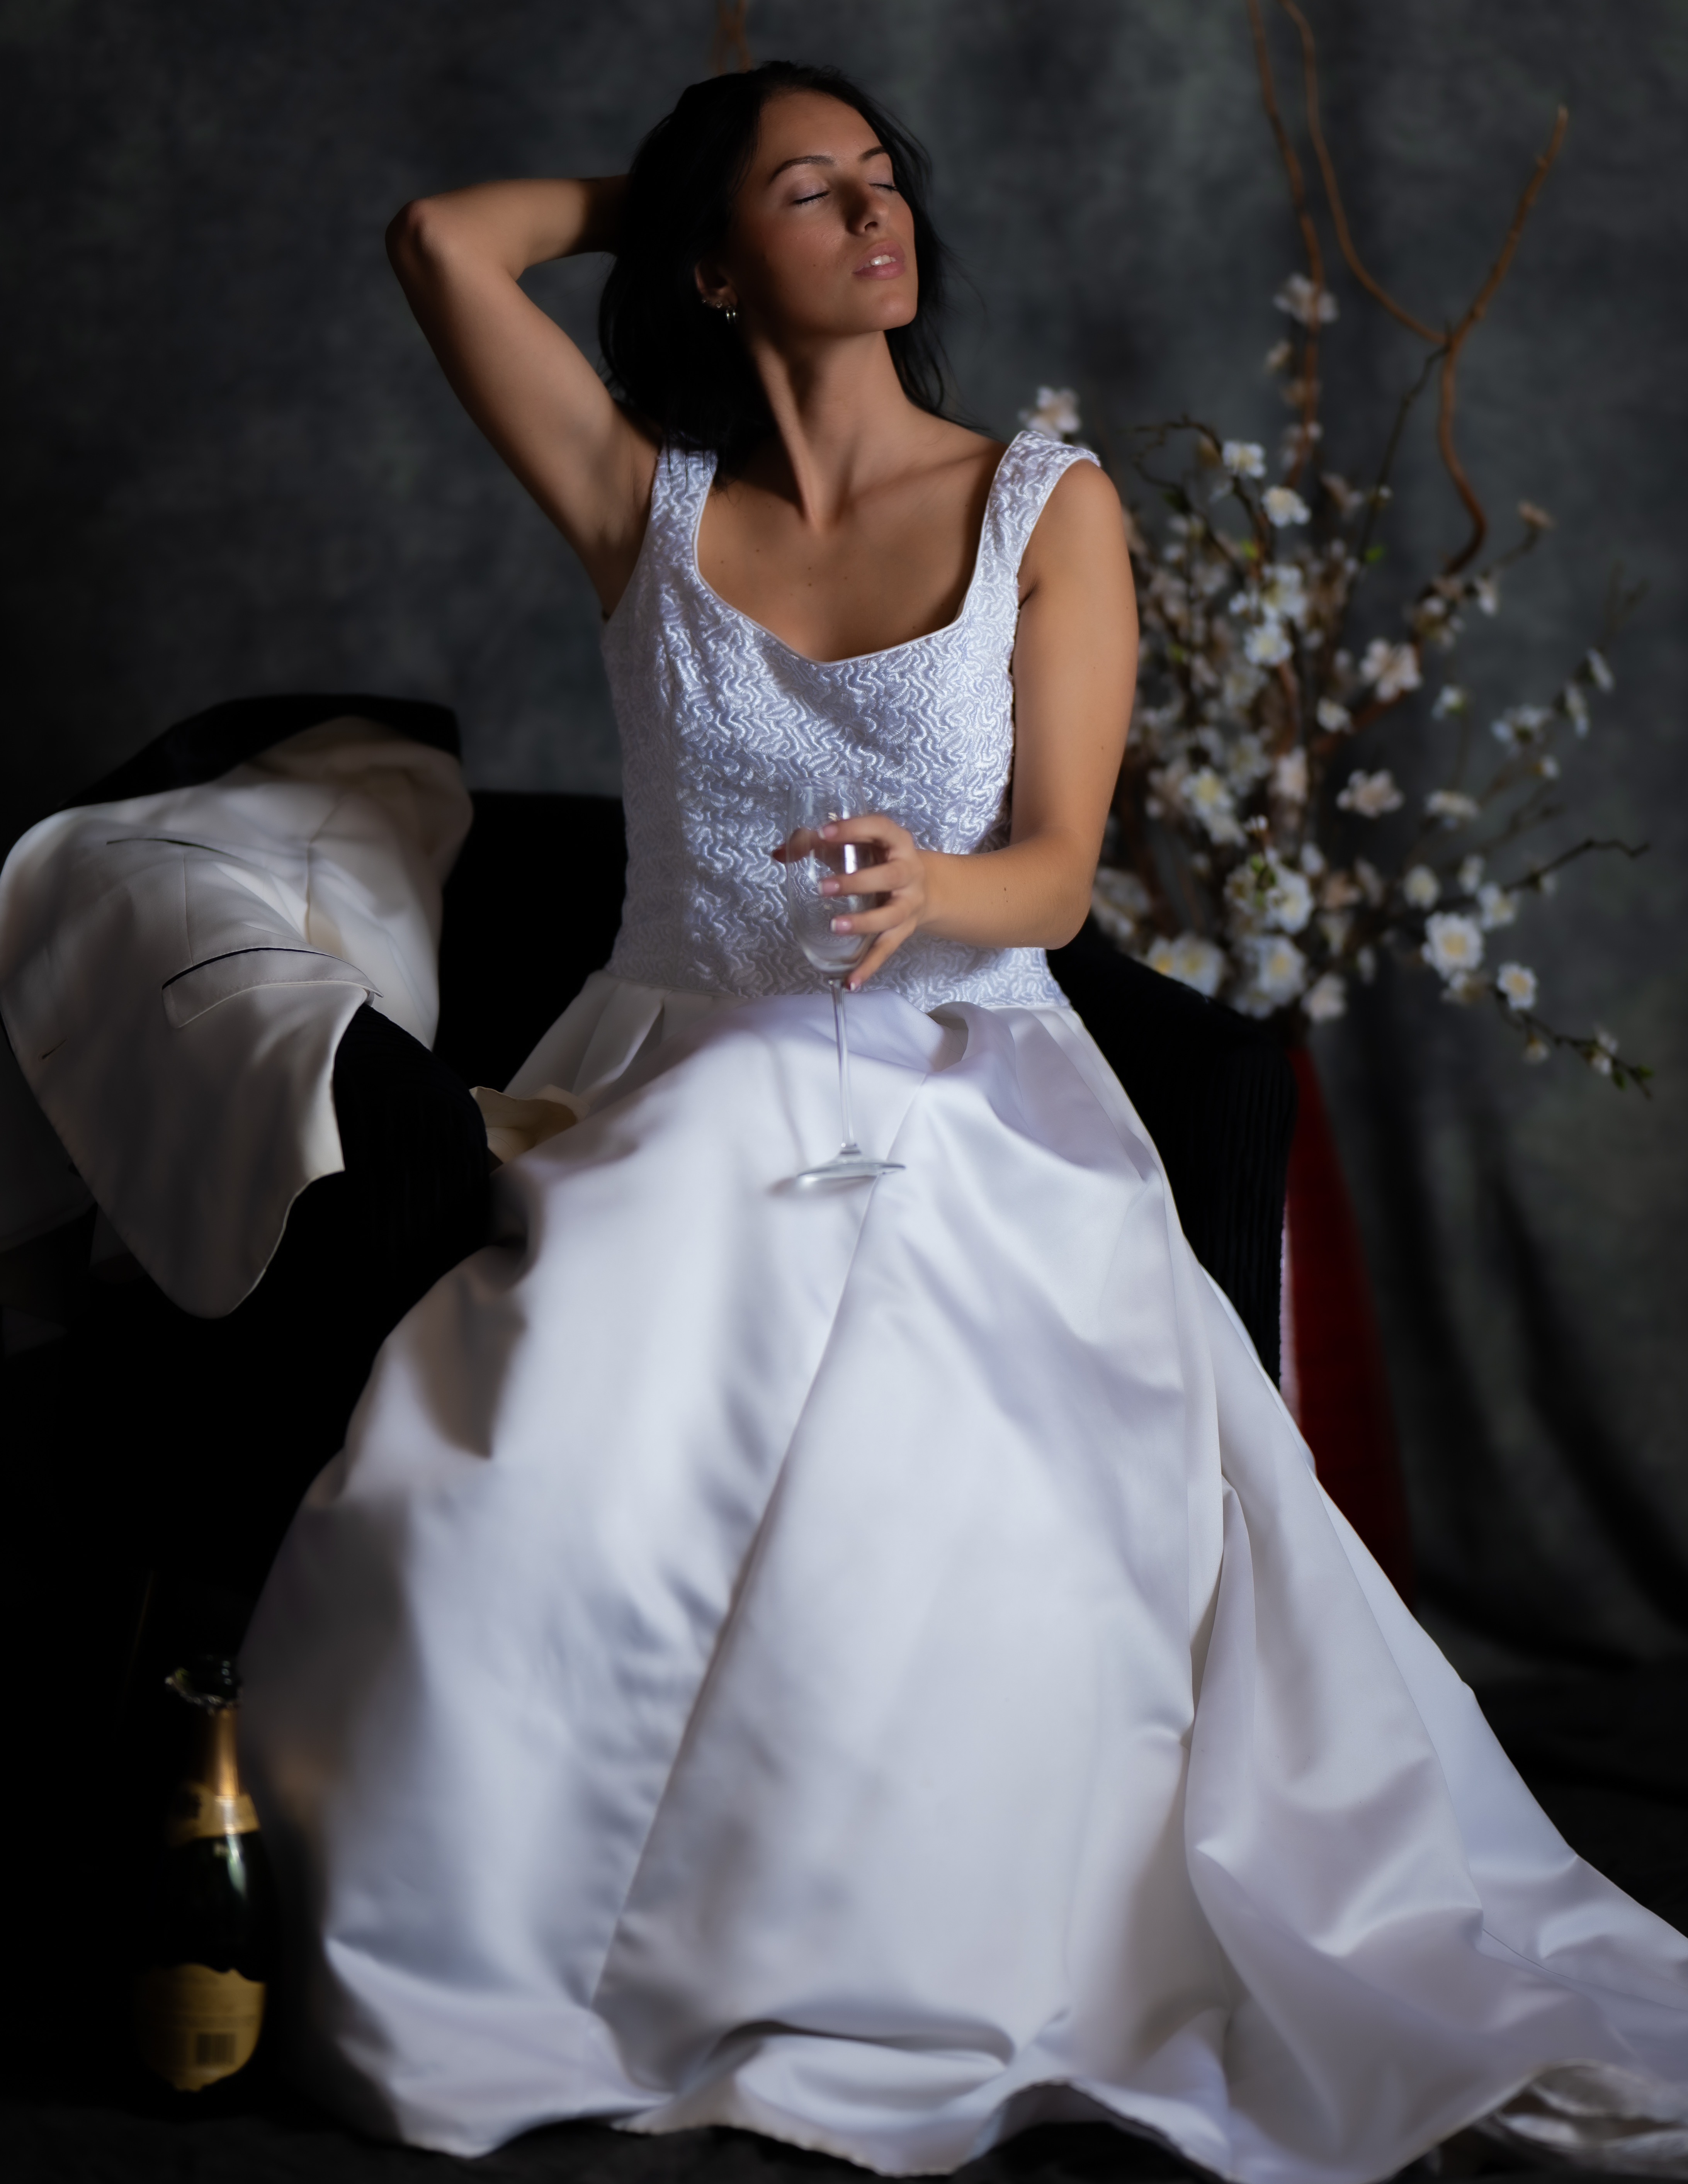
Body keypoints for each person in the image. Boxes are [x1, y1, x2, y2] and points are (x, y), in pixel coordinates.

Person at [240, 61, 1688, 2183]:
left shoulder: (1043, 501)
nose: (872, 213)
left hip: (961, 1068)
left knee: (939, 1455)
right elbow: (442, 243)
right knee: (553, 1409)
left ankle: (877, 1926)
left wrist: (931, 896)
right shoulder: (639, 500)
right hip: (677, 1069)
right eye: (806, 194)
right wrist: (659, 191)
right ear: (713, 258)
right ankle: (525, 1950)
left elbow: (1060, 861)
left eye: (883, 178)